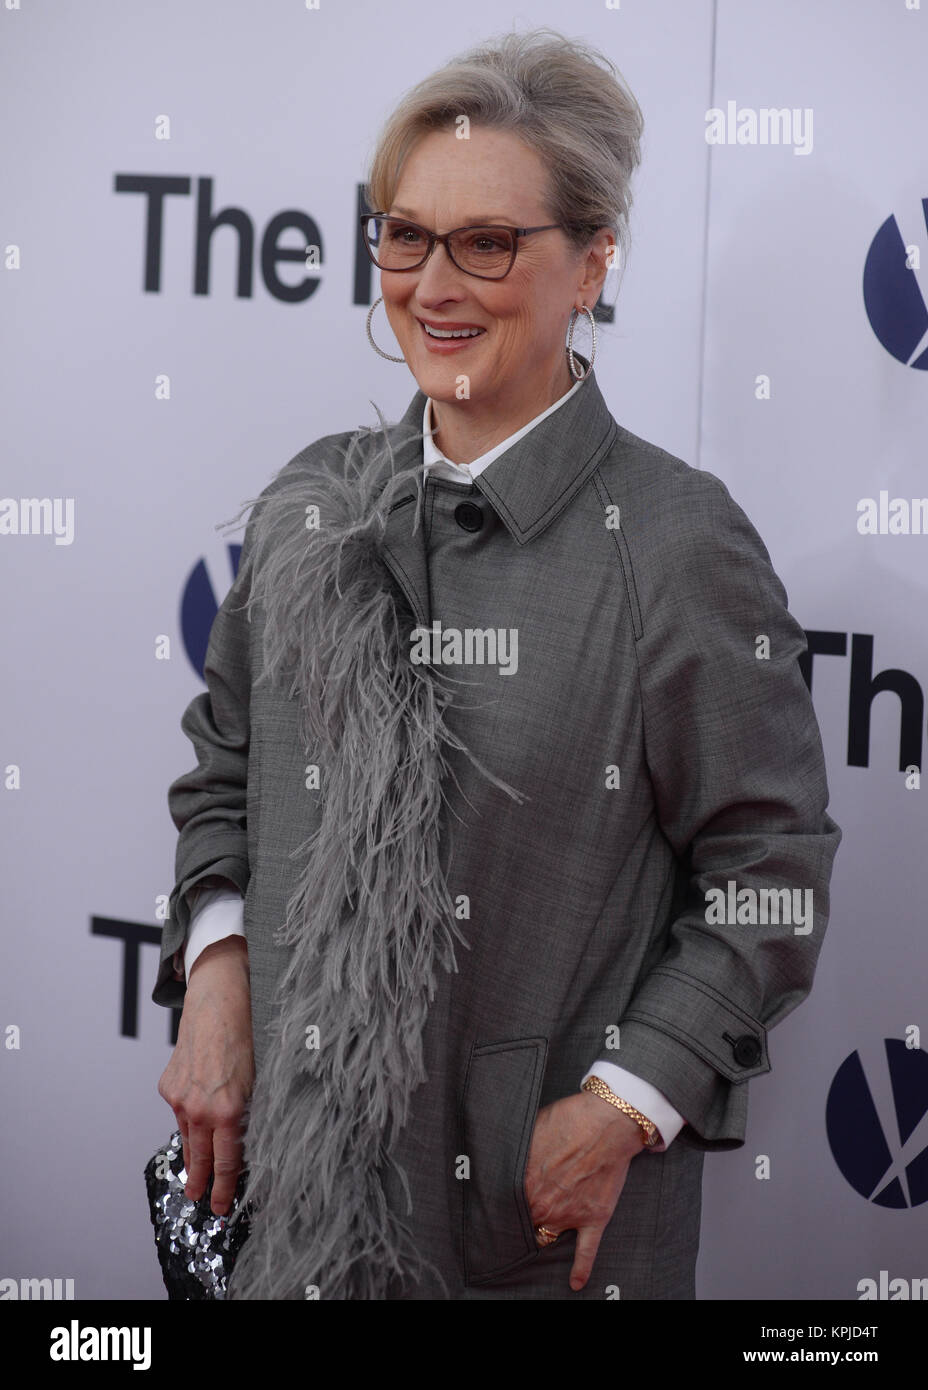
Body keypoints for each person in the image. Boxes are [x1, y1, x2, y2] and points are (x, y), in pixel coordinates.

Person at [153, 27, 841, 1300]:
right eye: (404, 236)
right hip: (293, 1221)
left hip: (527, 1245)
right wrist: (218, 968)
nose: (433, 282)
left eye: (486, 242)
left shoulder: (677, 542)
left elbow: (771, 872)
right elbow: (222, 775)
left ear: (591, 264)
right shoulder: (313, 504)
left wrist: (625, 1104)